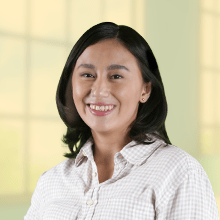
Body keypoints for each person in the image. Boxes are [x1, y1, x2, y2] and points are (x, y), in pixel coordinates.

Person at [24, 22, 219, 219]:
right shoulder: (51, 182)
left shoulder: (179, 173)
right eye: (87, 75)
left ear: (146, 89)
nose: (99, 90)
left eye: (116, 76)